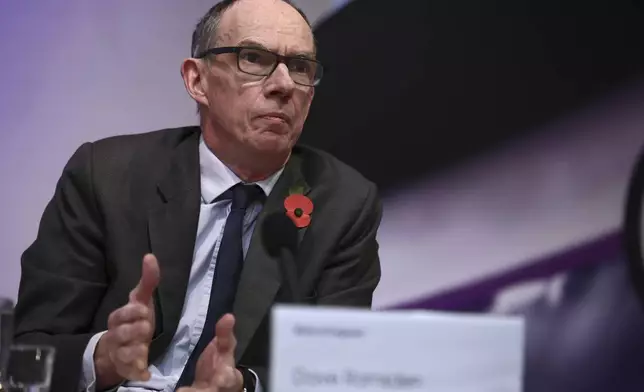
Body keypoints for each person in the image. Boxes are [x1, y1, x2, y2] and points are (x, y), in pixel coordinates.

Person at [12, 0, 382, 391]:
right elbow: (31, 350)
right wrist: (104, 357)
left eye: (301, 67)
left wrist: (244, 385)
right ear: (197, 81)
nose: (284, 84)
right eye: (253, 58)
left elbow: (337, 372)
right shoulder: (105, 175)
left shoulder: (344, 203)